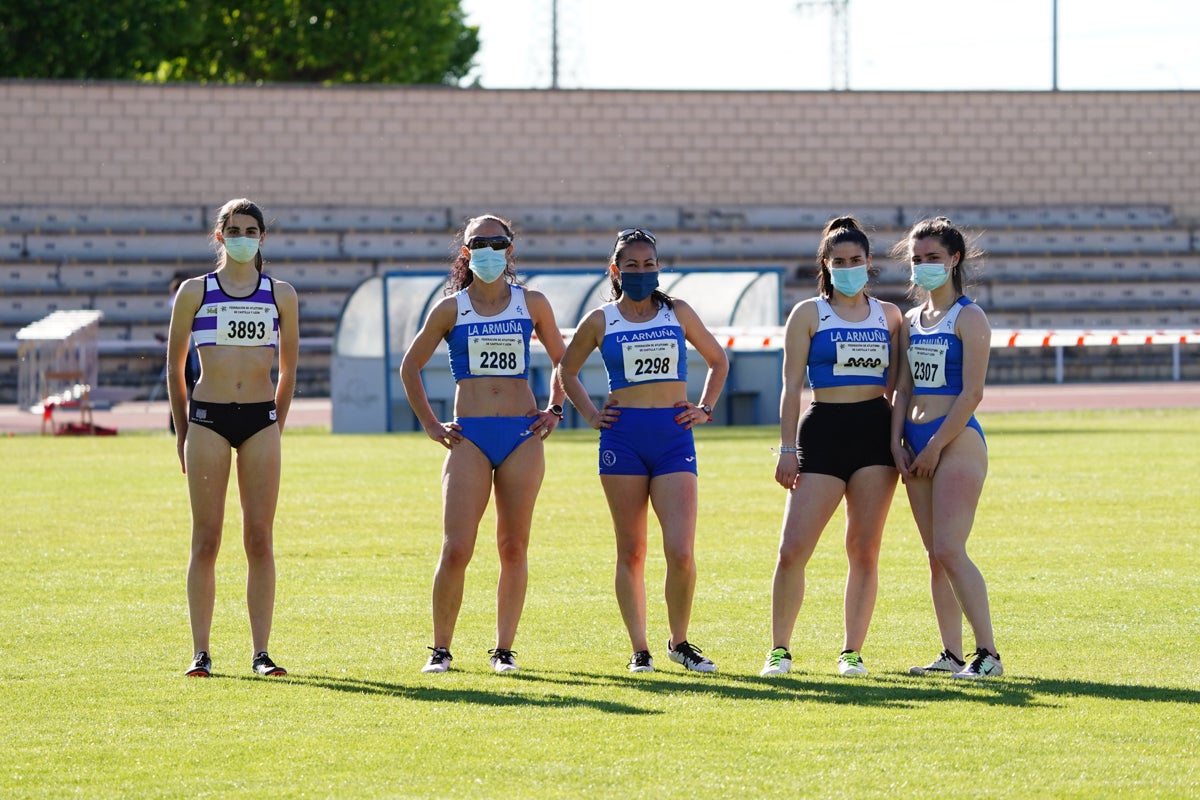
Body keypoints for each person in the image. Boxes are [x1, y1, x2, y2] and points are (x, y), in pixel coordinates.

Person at [400, 214, 567, 674]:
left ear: (509, 250)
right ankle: (440, 649)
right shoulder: (451, 308)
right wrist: (432, 425)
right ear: (466, 251)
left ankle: (504, 649)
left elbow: (563, 361)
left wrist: (554, 409)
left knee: (513, 546)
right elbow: (410, 367)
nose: (488, 251)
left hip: (521, 435)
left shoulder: (531, 303)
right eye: (479, 243)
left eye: (497, 243)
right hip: (469, 435)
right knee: (457, 547)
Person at [557, 228, 729, 674]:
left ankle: (680, 641)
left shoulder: (678, 313)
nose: (641, 272)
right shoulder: (601, 320)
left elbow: (718, 359)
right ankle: (640, 649)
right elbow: (566, 370)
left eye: (648, 264)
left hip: (673, 438)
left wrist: (705, 407)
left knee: (681, 551)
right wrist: (593, 416)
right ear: (615, 271)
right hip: (623, 439)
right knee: (631, 550)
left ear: (658, 267)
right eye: (631, 266)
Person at [761, 216, 902, 678]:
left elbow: (899, 388)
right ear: (825, 264)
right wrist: (786, 448)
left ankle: (851, 652)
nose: (848, 267)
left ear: (868, 263)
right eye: (838, 261)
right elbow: (789, 385)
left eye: (856, 260)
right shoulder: (807, 313)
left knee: (863, 549)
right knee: (792, 549)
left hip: (873, 435)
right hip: (822, 431)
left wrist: (900, 441)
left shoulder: (890, 316)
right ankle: (780, 650)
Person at [166, 198, 299, 678]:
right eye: (234, 230)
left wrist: (275, 425)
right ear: (219, 236)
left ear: (262, 237)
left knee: (259, 539)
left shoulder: (280, 294)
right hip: (207, 421)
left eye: (252, 230)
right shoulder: (194, 292)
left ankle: (261, 652)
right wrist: (182, 430)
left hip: (260, 422)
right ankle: (200, 652)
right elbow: (175, 366)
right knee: (206, 540)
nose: (243, 237)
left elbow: (288, 370)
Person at [889, 216, 1003, 679]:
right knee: (934, 555)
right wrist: (897, 440)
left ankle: (988, 654)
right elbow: (902, 386)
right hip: (916, 442)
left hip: (955, 441)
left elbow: (971, 393)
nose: (923, 266)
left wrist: (935, 446)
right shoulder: (912, 320)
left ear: (954, 259)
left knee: (950, 548)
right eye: (917, 259)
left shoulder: (970, 317)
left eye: (932, 258)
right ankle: (951, 654)